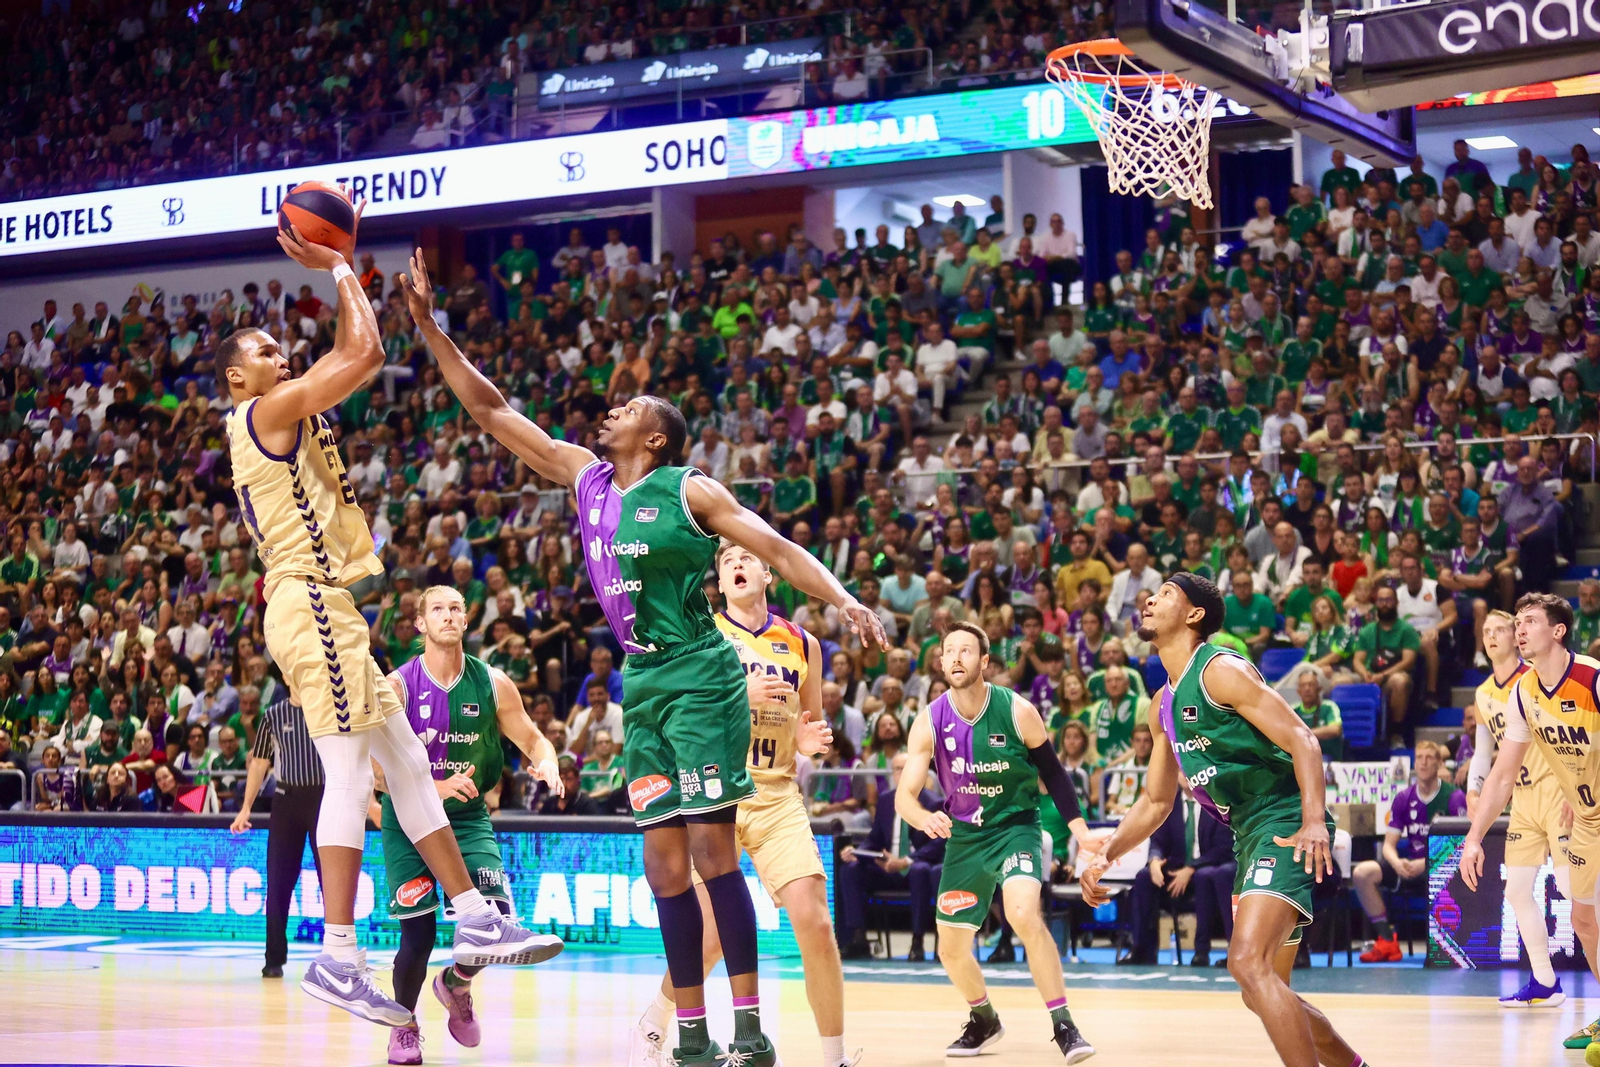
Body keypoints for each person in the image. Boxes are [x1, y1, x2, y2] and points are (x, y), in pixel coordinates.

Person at [401, 250, 885, 1067]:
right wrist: (428, 326)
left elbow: (774, 544)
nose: (609, 411)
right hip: (645, 683)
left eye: (626, 407)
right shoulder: (584, 477)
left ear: (653, 435)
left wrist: (842, 599)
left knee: (709, 853)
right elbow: (490, 409)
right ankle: (690, 1031)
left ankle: (749, 1027)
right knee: (664, 864)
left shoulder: (687, 489)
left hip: (701, 673)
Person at [217, 204, 539, 1024]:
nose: (277, 352)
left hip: (329, 606)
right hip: (307, 601)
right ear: (237, 378)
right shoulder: (266, 411)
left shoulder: (283, 404)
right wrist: (337, 265)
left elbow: (349, 354)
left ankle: (472, 915)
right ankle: (335, 954)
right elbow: (364, 351)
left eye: (277, 346)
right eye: (261, 350)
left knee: (406, 762)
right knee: (351, 767)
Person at [1081, 574, 1365, 1067]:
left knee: (1246, 963)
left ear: (1194, 615)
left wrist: (1315, 820)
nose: (1150, 599)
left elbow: (1304, 739)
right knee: (1262, 990)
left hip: (1286, 820)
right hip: (1248, 838)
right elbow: (1155, 803)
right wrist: (1106, 853)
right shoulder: (1161, 705)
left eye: (1167, 594)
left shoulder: (1220, 670)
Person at [633, 542, 853, 1067]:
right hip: (717, 788)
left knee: (816, 923)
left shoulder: (803, 642)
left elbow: (808, 723)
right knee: (710, 936)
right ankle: (656, 1023)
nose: (734, 563)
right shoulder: (701, 633)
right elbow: (676, 706)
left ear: (768, 573)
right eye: (726, 558)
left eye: (746, 557)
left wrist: (809, 741)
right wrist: (739, 695)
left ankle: (835, 1057)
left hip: (776, 793)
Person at [379, 586, 565, 1065]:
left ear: (466, 620)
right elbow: (373, 769)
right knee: (417, 937)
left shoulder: (493, 681)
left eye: (456, 608)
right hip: (410, 820)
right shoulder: (398, 686)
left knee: (495, 924)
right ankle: (404, 1024)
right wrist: (433, 787)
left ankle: (455, 985)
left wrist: (548, 764)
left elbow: (532, 736)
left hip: (466, 819)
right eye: (436, 608)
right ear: (420, 624)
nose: (448, 615)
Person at [895, 622, 1096, 1061]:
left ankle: (1064, 1025)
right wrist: (925, 817)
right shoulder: (929, 719)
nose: (955, 659)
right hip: (965, 838)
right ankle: (984, 1019)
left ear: (984, 661)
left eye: (966, 651)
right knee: (950, 949)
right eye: (949, 651)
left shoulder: (1017, 709)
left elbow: (1055, 773)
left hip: (1016, 827)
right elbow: (904, 796)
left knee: (1023, 913)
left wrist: (1080, 830)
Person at [1461, 593, 1600, 1056]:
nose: (1519, 630)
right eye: (1514, 622)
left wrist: (1572, 789)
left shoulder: (1592, 678)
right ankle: (1548, 982)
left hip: (1574, 805)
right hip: (1573, 813)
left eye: (1528, 622)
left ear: (1557, 630)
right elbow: (1500, 770)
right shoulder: (1520, 692)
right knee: (1582, 917)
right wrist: (1474, 836)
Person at [1463, 610, 1566, 1008]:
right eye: (1486, 631)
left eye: (1500, 630)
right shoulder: (1484, 692)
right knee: (1518, 890)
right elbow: (1484, 751)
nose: (1492, 637)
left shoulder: (1536, 677)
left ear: (1516, 635)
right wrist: (1475, 791)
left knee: (1577, 892)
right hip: (1521, 801)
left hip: (1557, 793)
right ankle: (1545, 981)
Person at [231, 696, 325, 978]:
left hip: (324, 796)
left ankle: (339, 954)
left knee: (331, 881)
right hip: (286, 799)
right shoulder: (273, 714)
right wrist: (246, 807)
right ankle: (273, 958)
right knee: (278, 882)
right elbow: (259, 762)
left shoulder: (328, 704)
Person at [1351, 740, 1463, 962]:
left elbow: (1461, 845)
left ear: (1440, 764)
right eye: (1419, 757)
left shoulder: (1454, 797)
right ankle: (1387, 940)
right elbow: (1389, 845)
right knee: (1362, 873)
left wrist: (1426, 862)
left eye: (1429, 758)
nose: (1423, 762)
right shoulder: (1404, 798)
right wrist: (1396, 863)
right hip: (1411, 865)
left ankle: (1450, 946)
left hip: (1443, 868)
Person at [835, 750, 946, 962]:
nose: (901, 773)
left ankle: (917, 942)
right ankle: (858, 938)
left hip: (915, 867)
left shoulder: (933, 803)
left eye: (906, 769)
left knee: (920, 870)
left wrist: (905, 861)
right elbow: (874, 838)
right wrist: (859, 852)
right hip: (886, 866)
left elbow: (938, 844)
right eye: (897, 769)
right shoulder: (886, 801)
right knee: (850, 870)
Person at [1122, 784, 1236, 966]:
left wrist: (1192, 868)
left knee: (1204, 876)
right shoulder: (1168, 802)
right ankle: (1141, 949)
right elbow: (1157, 840)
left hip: (1209, 867)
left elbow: (1224, 847)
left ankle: (1202, 952)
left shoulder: (1217, 801)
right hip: (1175, 870)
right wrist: (1154, 860)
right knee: (1144, 877)